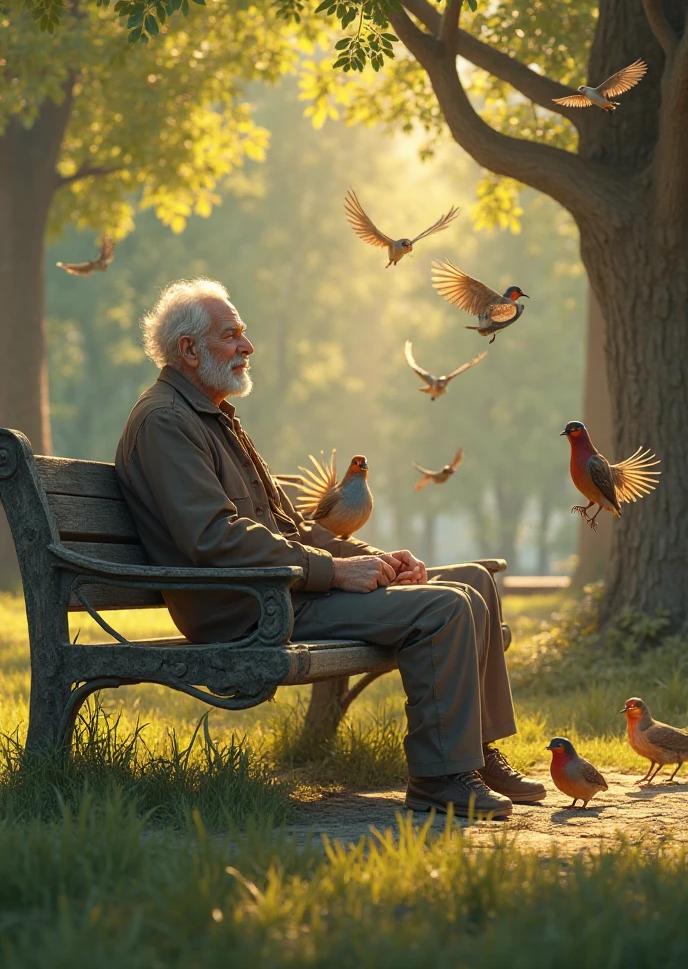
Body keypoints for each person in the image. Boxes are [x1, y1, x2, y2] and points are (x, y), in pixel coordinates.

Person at [116, 278, 546, 817]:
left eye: (243, 335)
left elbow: (292, 526)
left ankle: (474, 752)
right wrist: (334, 573)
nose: (247, 347)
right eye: (233, 336)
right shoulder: (165, 422)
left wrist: (375, 559)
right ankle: (440, 777)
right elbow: (213, 538)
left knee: (474, 581)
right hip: (245, 606)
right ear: (188, 350)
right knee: (445, 606)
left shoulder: (212, 417)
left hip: (284, 588)